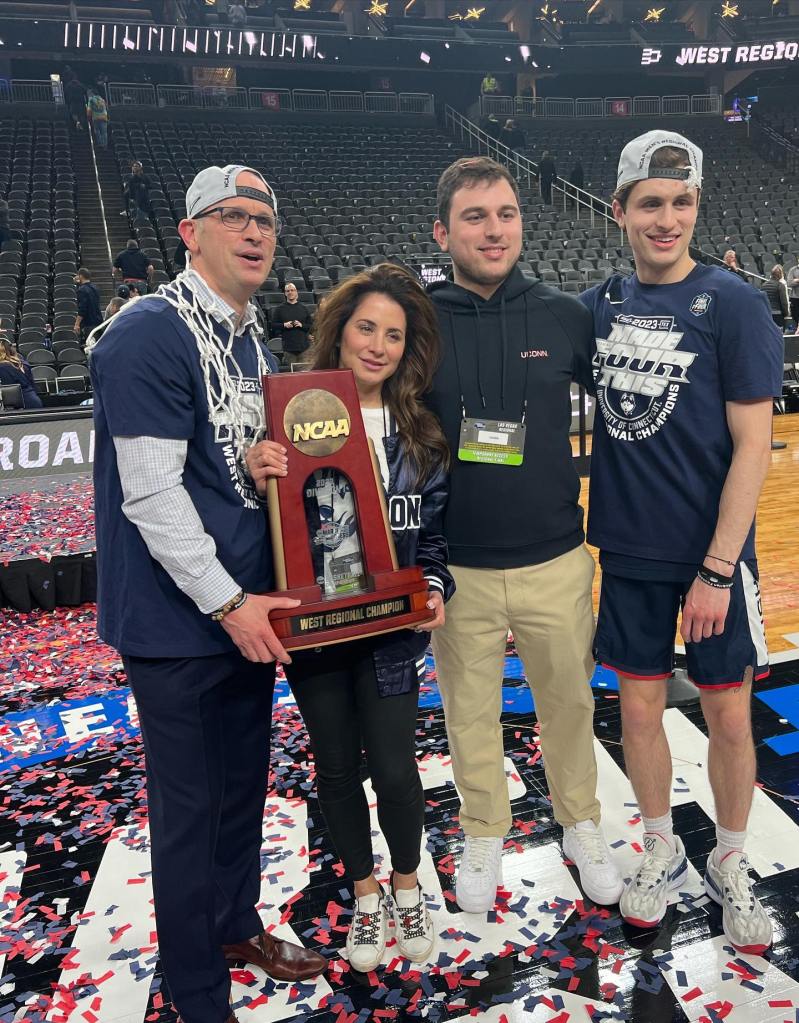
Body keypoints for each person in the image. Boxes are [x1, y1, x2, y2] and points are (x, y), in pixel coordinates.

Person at [89, 164, 327, 1023]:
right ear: (190, 233)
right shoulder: (148, 333)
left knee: (240, 792)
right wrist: (230, 603)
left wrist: (262, 465)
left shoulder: (250, 341)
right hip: (182, 619)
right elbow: (151, 492)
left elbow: (217, 466)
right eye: (233, 217)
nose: (255, 231)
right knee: (189, 811)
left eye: (265, 217)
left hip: (242, 610)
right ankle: (196, 991)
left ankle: (233, 926)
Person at [579, 130, 782, 955]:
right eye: (650, 203)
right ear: (620, 210)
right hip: (627, 551)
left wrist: (716, 568)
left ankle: (730, 860)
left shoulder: (732, 302)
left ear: (697, 205)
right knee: (636, 709)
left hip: (713, 560)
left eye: (682, 201)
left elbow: (752, 447)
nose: (667, 218)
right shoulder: (599, 305)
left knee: (728, 714)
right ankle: (660, 843)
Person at [427, 156, 623, 914]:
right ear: (442, 231)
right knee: (468, 712)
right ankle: (484, 831)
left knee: (569, 703)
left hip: (554, 556)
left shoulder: (562, 313)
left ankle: (581, 823)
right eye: (475, 216)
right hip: (459, 567)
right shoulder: (418, 317)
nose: (493, 228)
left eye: (505, 213)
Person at [247, 263, 453, 972]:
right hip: (315, 633)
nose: (377, 344)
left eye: (393, 334)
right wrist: (254, 470)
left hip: (391, 629)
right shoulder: (283, 418)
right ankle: (363, 893)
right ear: (338, 331)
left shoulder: (421, 431)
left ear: (408, 347)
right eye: (366, 327)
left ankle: (405, 883)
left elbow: (434, 539)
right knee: (335, 770)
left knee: (396, 770)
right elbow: (259, 528)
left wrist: (433, 584)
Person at [272, 281, 311, 368]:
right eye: (288, 291)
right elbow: (273, 325)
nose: (290, 292)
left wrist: (301, 325)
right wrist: (284, 325)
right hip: (289, 349)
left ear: (296, 292)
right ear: (285, 293)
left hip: (304, 348)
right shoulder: (279, 309)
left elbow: (310, 326)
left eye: (292, 290)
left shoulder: (303, 308)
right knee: (292, 376)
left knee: (305, 376)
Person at [0, 335, 43, 409]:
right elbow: (32, 385)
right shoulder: (23, 363)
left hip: (19, 406)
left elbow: (7, 389)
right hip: (34, 401)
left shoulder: (2, 367)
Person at [73, 268, 103, 341]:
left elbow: (82, 308)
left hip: (88, 323)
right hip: (98, 321)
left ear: (81, 276)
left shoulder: (82, 290)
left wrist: (77, 324)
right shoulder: (95, 288)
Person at [123, 161, 153, 225]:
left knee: (142, 216)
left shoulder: (145, 177)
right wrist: (131, 197)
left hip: (143, 198)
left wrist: (144, 186)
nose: (134, 168)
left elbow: (151, 186)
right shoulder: (131, 178)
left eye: (136, 166)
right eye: (133, 166)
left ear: (140, 168)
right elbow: (130, 188)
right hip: (135, 197)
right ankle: (128, 211)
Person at [763, 264, 791, 328]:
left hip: (766, 314)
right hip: (777, 315)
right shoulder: (780, 285)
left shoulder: (763, 285)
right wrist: (786, 314)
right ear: (780, 275)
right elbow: (784, 302)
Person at [785, 255, 799, 324]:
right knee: (796, 316)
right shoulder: (793, 270)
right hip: (795, 297)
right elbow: (789, 283)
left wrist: (796, 280)